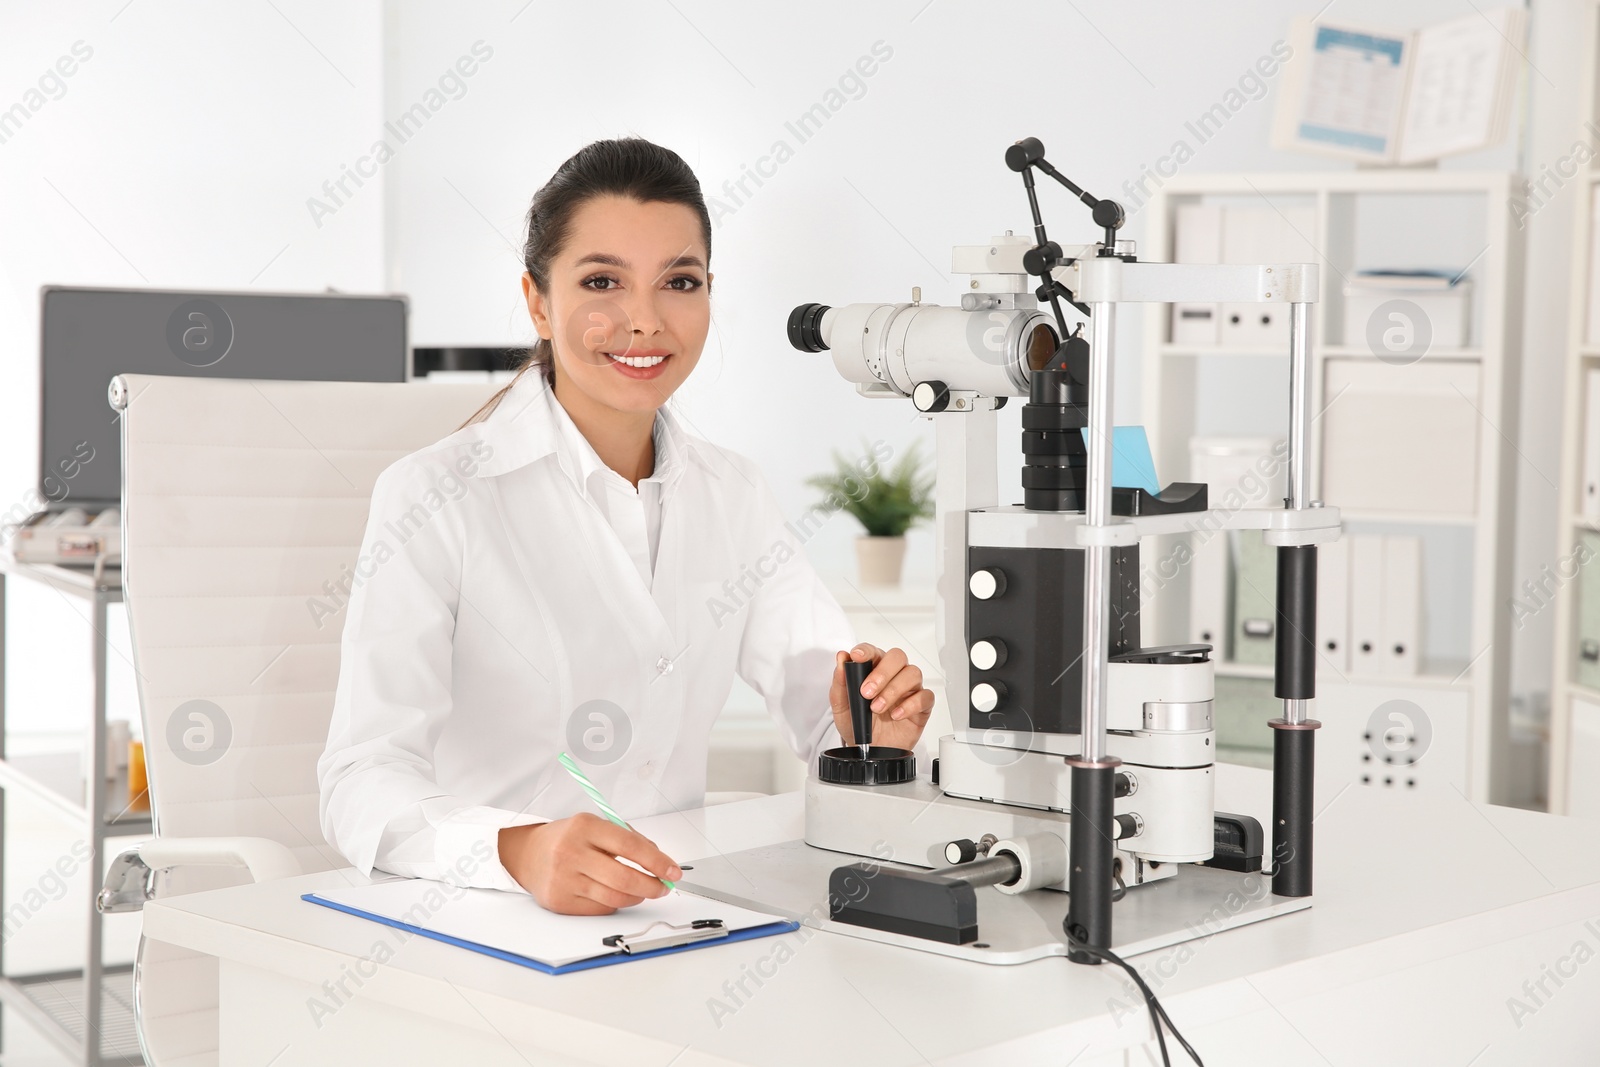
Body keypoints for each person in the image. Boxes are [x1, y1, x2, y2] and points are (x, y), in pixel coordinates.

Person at [317, 137, 935, 916]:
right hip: (483, 919)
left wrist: (874, 731)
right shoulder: (432, 496)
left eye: (679, 281)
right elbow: (359, 780)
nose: (644, 320)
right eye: (602, 281)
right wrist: (514, 848)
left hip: (670, 916)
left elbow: (831, 718)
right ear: (539, 302)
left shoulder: (732, 492)